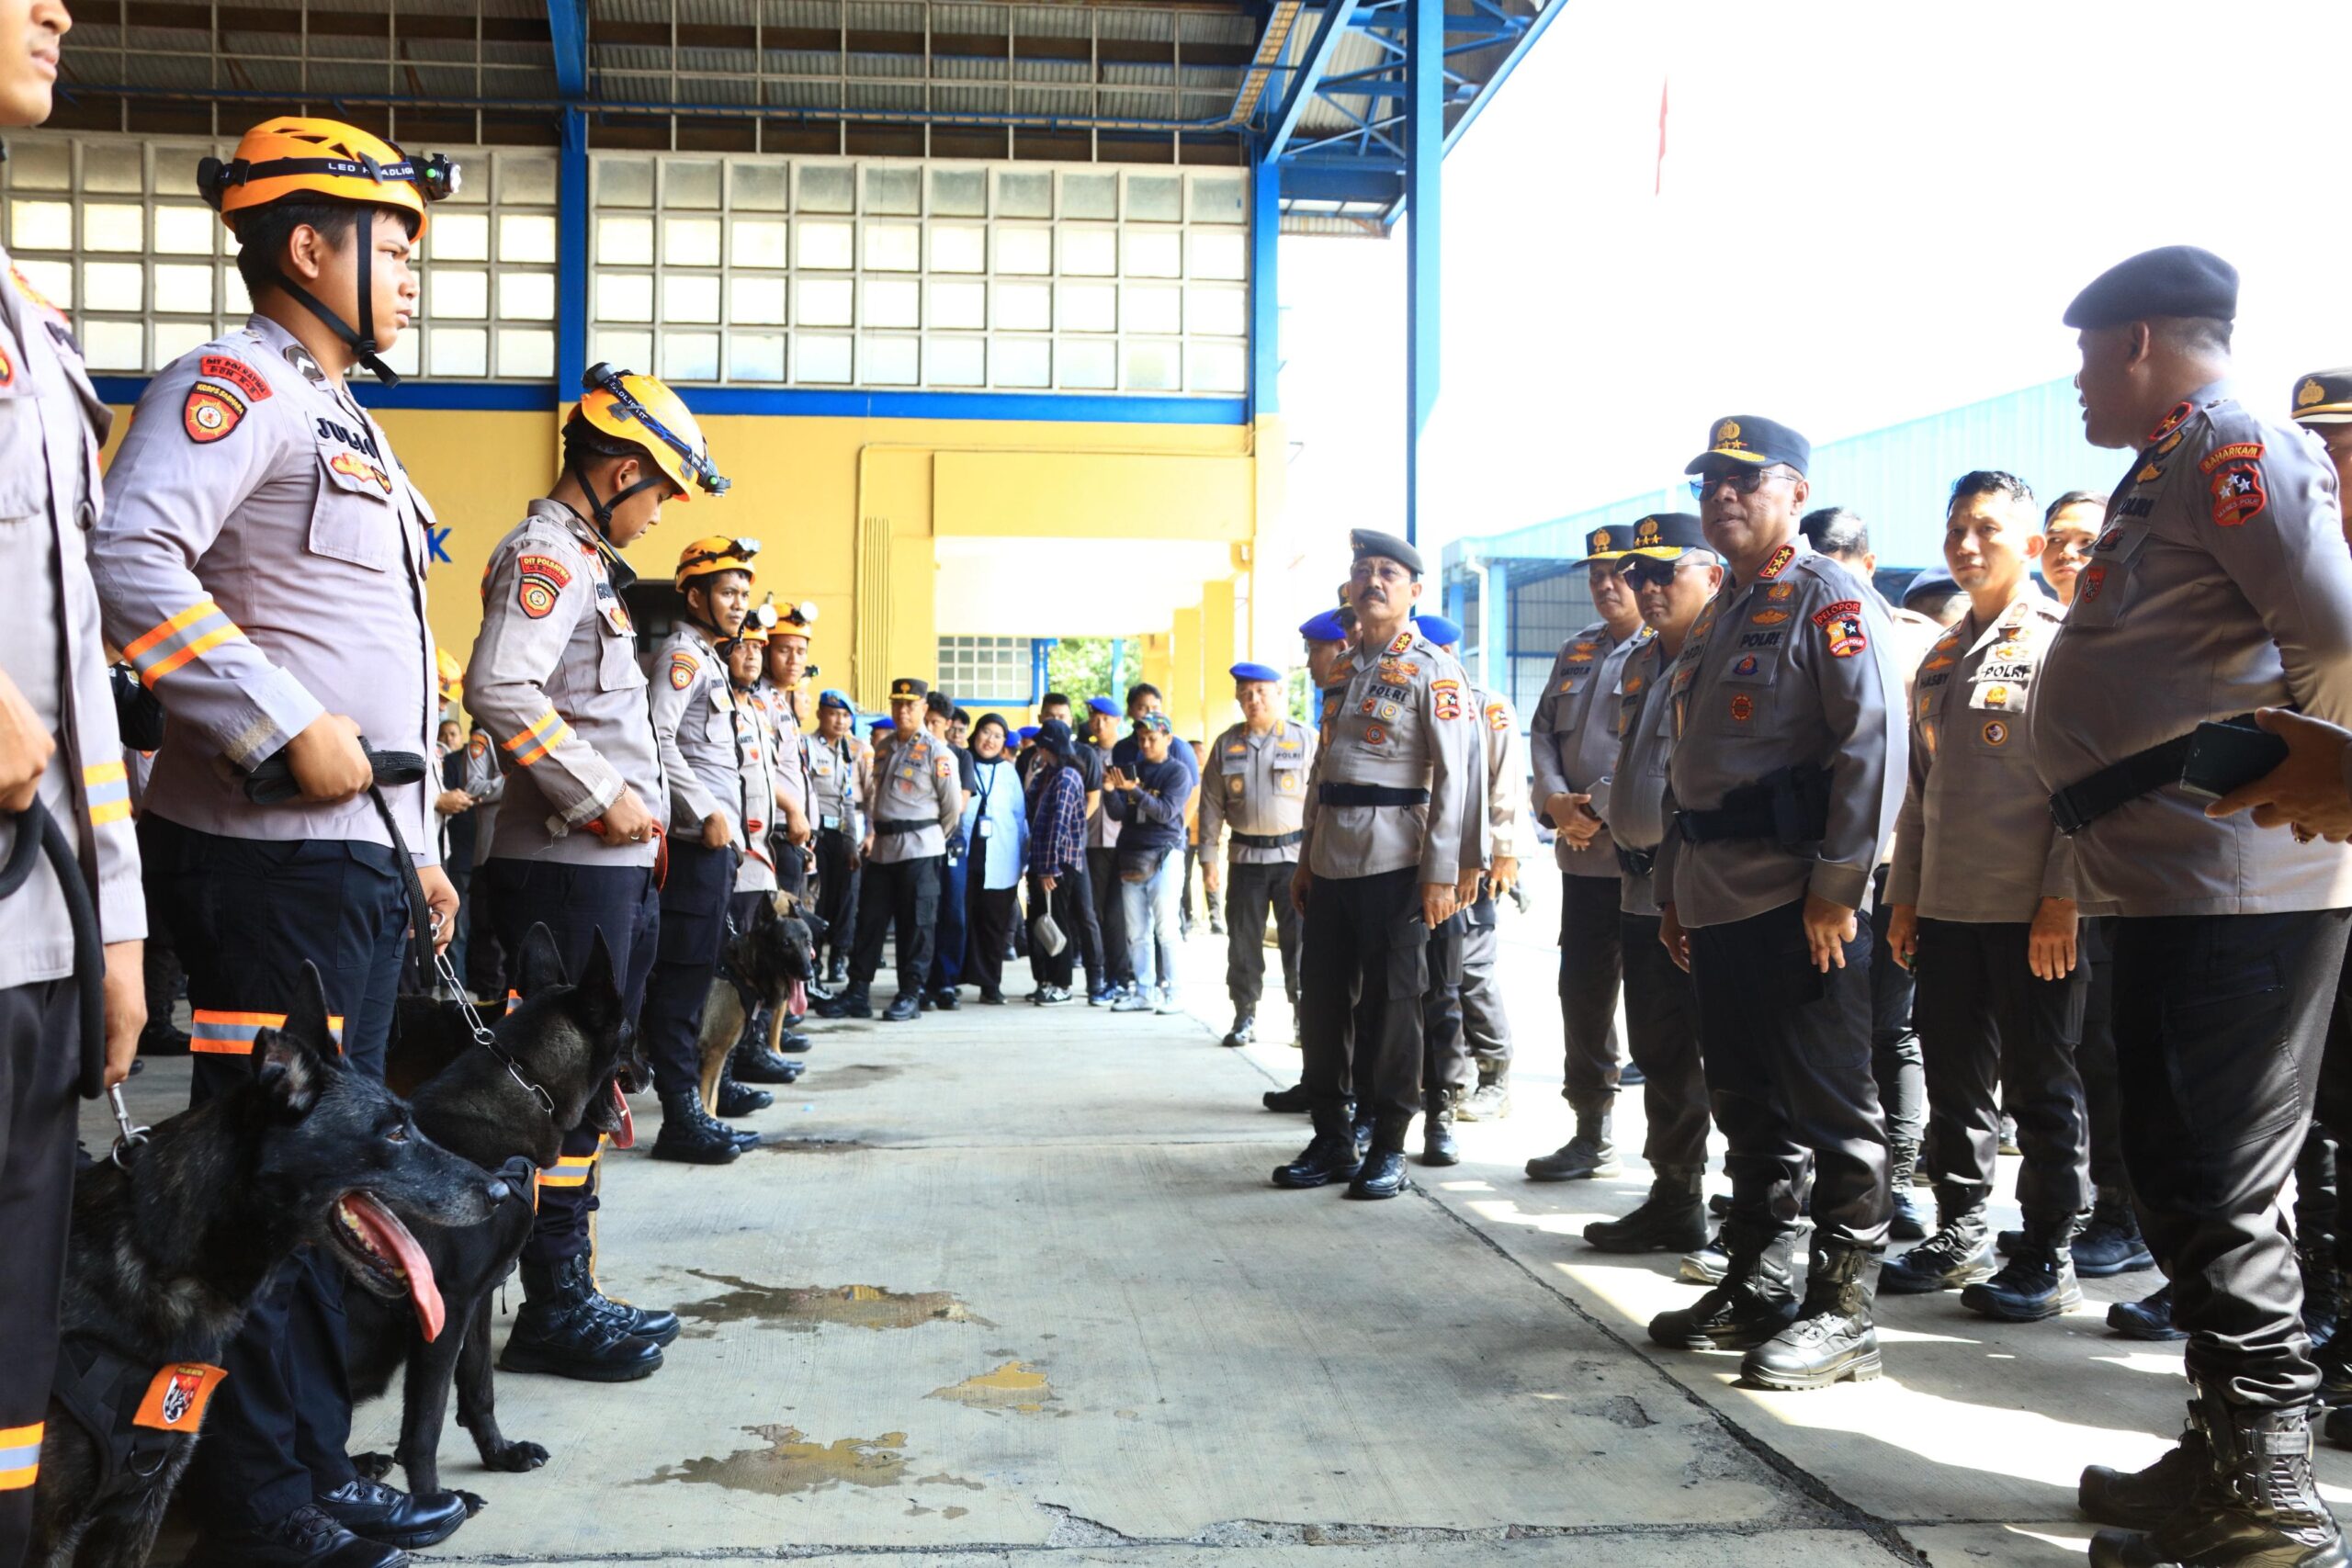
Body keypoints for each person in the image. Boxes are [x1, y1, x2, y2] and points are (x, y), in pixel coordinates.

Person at [94, 117, 464, 1566]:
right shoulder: (235, 385)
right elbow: (131, 553)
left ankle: (304, 1463)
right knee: (273, 1182)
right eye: (399, 244)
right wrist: (275, 714)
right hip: (268, 856)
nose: (417, 276)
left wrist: (413, 835)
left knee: (333, 1176)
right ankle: (256, 1500)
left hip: (348, 857)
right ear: (311, 245)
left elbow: (371, 648)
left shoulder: (342, 417)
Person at [2041, 248, 2352, 1567]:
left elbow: (2334, 629)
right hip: (2161, 881)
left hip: (2240, 885)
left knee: (2225, 1180)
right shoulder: (2165, 465)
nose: (2074, 378)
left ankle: (2277, 1492)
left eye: (2085, 351)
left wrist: (2329, 767)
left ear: (2143, 339)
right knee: (2173, 1172)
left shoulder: (2236, 448)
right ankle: (2221, 1448)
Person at [466, 364, 718, 1381]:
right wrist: (598, 795)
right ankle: (549, 1304)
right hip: (567, 871)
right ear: (619, 471)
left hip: (606, 874)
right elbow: (498, 682)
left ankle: (568, 1288)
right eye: (660, 489)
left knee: (590, 1089)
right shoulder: (547, 557)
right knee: (555, 1092)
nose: (661, 513)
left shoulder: (587, 566)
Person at [1645, 414, 1904, 1394]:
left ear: (1793, 491)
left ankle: (1843, 1314)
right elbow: (1691, 770)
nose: (1723, 496)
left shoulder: (1827, 597)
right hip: (1716, 895)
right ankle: (1758, 1281)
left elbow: (1872, 746)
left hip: (1800, 900)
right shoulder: (1721, 610)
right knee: (1748, 1107)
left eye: (1745, 480)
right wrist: (1675, 891)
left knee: (1836, 1112)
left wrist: (1839, 890)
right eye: (1712, 480)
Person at [0, 4, 148, 1557]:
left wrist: (114, 925)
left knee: (17, 1329)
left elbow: (74, 664)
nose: (55, 6)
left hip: (31, 929)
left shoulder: (29, 323)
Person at [1879, 471, 2091, 1323]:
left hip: (2034, 911)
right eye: (1955, 528)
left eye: (1988, 529)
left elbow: (2086, 788)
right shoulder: (1937, 653)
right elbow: (1921, 793)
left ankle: (2047, 1248)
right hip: (1950, 906)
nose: (1967, 545)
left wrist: (2063, 901)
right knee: (1956, 1082)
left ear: (2032, 546)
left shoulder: (2061, 642)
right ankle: (1962, 1227)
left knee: (2043, 1087)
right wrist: (1905, 898)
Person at [1274, 530, 1482, 1201]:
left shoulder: (1433, 669)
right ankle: (1333, 1134)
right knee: (1323, 998)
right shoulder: (1343, 668)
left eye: (1388, 571)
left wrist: (1443, 872)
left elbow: (1458, 777)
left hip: (1398, 860)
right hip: (1332, 857)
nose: (1373, 580)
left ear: (1415, 590)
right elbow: (1323, 771)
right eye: (1362, 569)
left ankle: (1389, 1141)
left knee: (1397, 1007)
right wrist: (1306, 858)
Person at [1571, 516, 1719, 1254]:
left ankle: (1758, 1217)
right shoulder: (1641, 665)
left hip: (1700, 889)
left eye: (1666, 573)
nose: (1648, 587)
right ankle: (1674, 1196)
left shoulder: (1721, 657)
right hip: (1638, 888)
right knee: (1659, 1052)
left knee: (1725, 1060)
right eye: (1641, 575)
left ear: (1711, 576)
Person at [1804, 505, 1934, 1240]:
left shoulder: (1916, 638)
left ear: (1868, 563)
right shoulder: (1788, 623)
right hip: (1814, 864)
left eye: (1838, 563)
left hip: (1889, 867)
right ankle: (1825, 1179)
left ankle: (1899, 1182)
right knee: (1822, 1025)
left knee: (1892, 1030)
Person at [1525, 521, 1651, 1180]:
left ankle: (1674, 1161)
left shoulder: (1671, 647)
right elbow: (1542, 732)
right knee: (1584, 994)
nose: (1607, 583)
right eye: (1597, 575)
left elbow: (1656, 746)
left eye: (1621, 571)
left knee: (1661, 1009)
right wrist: (1554, 801)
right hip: (1582, 863)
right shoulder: (1576, 651)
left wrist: (1594, 804)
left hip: (1646, 862)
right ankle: (1590, 1133)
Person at [638, 536, 763, 1163]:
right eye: (727, 592)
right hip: (692, 846)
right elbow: (655, 738)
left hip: (718, 849)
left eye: (744, 593)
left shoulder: (711, 659)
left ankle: (695, 1101)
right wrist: (706, 810)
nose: (739, 604)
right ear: (694, 595)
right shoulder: (681, 658)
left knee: (698, 974)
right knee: (681, 982)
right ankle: (680, 1116)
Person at [1419, 621, 1521, 1128]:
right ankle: (1445, 1079)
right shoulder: (1418, 697)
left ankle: (1495, 1079)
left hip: (1474, 864)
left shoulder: (1486, 704)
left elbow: (1505, 785)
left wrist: (1505, 854)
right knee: (1436, 978)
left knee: (1473, 973)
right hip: (1425, 860)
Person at [818, 678, 961, 1021]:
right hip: (881, 850)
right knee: (869, 922)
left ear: (924, 709)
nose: (902, 710)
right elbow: (870, 800)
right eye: (897, 703)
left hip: (919, 849)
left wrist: (929, 838)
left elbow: (952, 808)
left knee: (917, 925)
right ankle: (857, 992)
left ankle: (910, 994)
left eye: (910, 704)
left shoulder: (937, 752)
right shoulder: (883, 749)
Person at [1261, 607, 1357, 1117]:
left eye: (1313, 650)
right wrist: (1307, 863)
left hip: (1375, 865)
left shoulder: (1397, 683)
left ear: (1338, 649)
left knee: (1363, 997)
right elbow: (1319, 789)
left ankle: (1360, 1105)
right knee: (1320, 988)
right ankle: (1321, 1087)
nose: (1309, 661)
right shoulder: (1333, 701)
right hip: (1324, 860)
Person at [1198, 661, 1316, 1049]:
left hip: (1294, 860)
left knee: (1299, 942)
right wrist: (1208, 861)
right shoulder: (1226, 744)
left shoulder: (1304, 739)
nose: (1254, 699)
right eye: (1246, 693)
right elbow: (1211, 806)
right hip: (1246, 860)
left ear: (1279, 694)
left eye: (1262, 691)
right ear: (1237, 697)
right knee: (1243, 942)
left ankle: (1303, 1016)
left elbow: (1321, 801)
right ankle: (1244, 1014)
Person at [1105, 713, 1190, 1014]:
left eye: (1153, 738)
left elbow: (1165, 812)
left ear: (1168, 739)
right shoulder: (1134, 770)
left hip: (1165, 854)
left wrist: (1133, 790)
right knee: (1137, 931)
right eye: (1141, 738)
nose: (1146, 743)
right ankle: (1143, 991)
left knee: (1167, 928)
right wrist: (1110, 791)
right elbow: (1118, 814)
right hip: (1131, 854)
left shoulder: (1177, 772)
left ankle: (1174, 992)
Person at [962, 715, 1028, 1003]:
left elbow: (1019, 817)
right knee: (959, 919)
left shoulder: (1008, 772)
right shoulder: (961, 762)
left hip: (1000, 859)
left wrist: (1022, 860)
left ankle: (990, 983)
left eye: (997, 736)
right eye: (986, 732)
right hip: (963, 856)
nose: (990, 740)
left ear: (1004, 743)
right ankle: (951, 979)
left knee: (994, 923)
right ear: (976, 734)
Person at [1024, 717, 1090, 1004]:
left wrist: (1050, 867)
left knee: (1057, 922)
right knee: (1042, 922)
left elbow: (1058, 825)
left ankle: (1062, 985)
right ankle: (1047, 981)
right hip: (1042, 862)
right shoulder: (1047, 774)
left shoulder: (1066, 777)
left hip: (1058, 864)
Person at [807, 689, 867, 986]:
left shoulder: (847, 752)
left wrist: (852, 843)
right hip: (815, 835)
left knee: (846, 899)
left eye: (846, 716)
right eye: (834, 714)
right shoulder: (807, 747)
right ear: (820, 714)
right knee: (817, 900)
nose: (840, 721)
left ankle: (839, 959)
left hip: (840, 836)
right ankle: (814, 961)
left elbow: (848, 802)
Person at [923, 690, 977, 1010]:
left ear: (947, 724)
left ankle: (945, 982)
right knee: (921, 915)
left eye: (935, 723)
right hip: (917, 846)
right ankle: (919, 981)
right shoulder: (908, 752)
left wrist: (937, 830)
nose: (930, 728)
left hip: (949, 843)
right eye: (925, 721)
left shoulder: (959, 756)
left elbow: (960, 803)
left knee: (952, 913)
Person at [1081, 694, 1127, 1001]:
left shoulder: (1127, 754)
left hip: (1120, 844)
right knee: (1093, 914)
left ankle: (1119, 976)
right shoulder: (1085, 754)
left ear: (1117, 722)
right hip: (1090, 844)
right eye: (1094, 718)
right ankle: (1097, 977)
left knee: (1116, 916)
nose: (1099, 723)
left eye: (1106, 719)